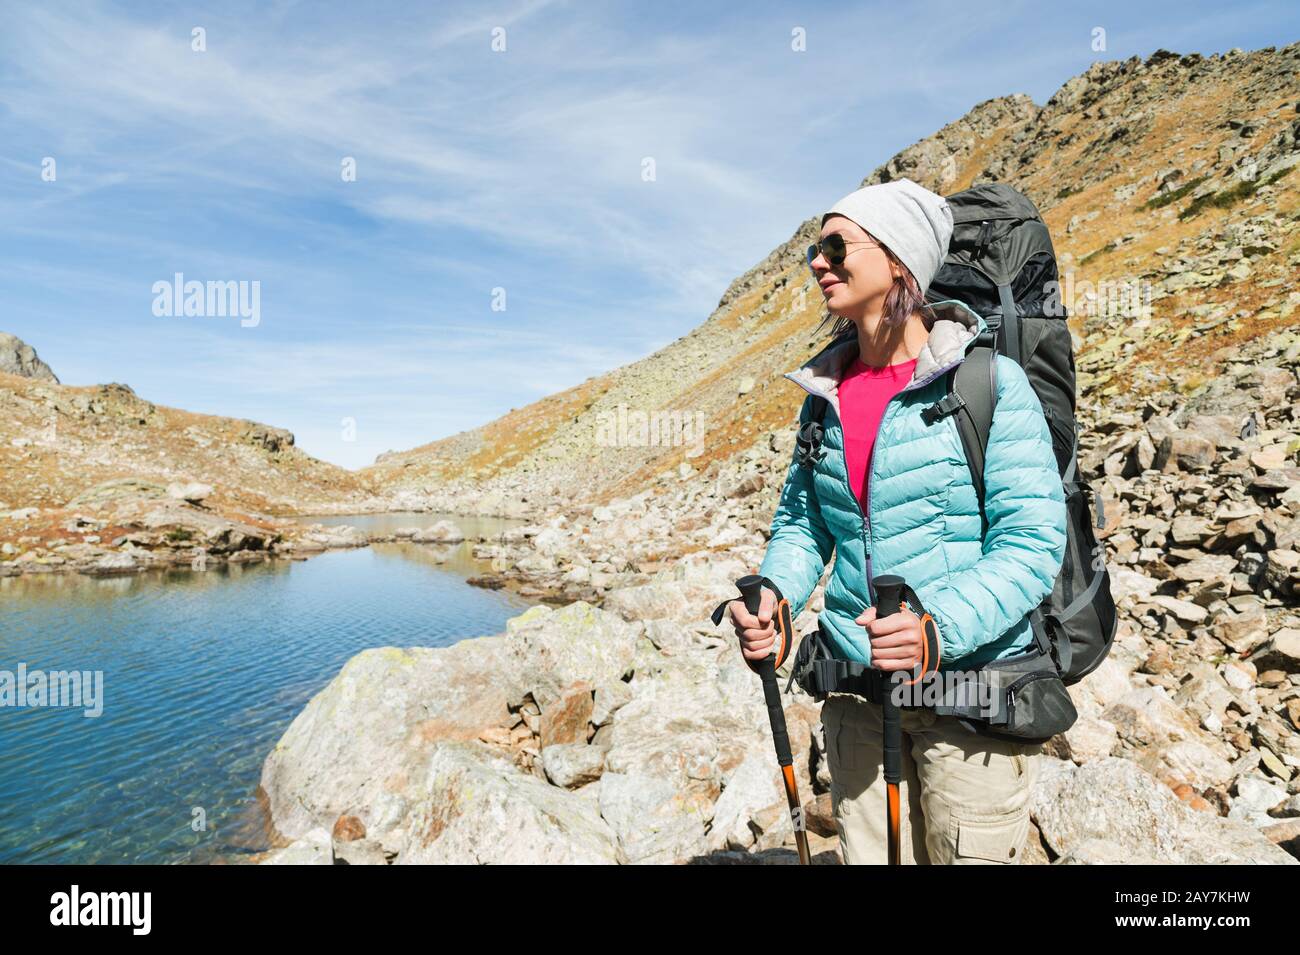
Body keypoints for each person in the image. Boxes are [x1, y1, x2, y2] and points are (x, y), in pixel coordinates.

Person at [726, 178, 1067, 864]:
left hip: (968, 694)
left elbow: (1031, 542)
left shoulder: (988, 384)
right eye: (815, 249)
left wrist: (932, 628)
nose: (818, 263)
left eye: (835, 245)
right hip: (858, 694)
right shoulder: (824, 397)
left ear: (898, 260)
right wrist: (776, 601)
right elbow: (803, 526)